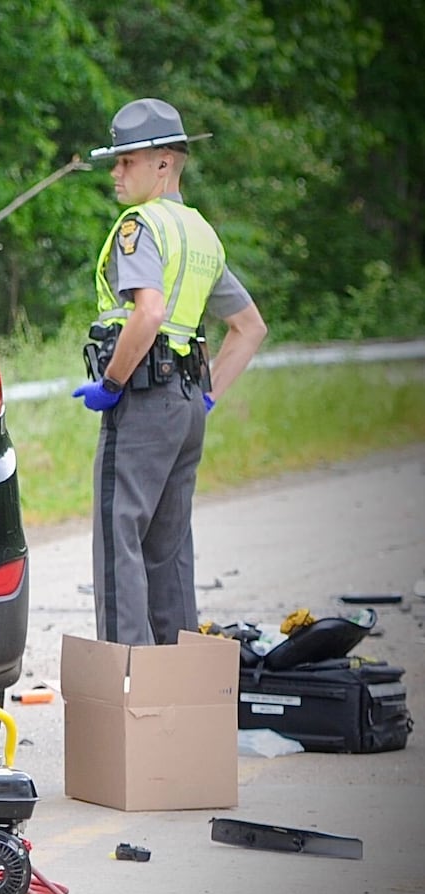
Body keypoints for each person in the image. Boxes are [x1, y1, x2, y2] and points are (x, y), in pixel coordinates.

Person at [74, 98, 269, 646]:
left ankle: (128, 686)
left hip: (142, 403)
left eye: (126, 160)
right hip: (186, 407)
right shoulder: (201, 232)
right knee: (169, 548)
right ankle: (180, 688)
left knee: (120, 539)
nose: (115, 171)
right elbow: (249, 327)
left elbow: (150, 311)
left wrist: (111, 384)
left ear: (163, 163)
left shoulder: (141, 226)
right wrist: (205, 397)